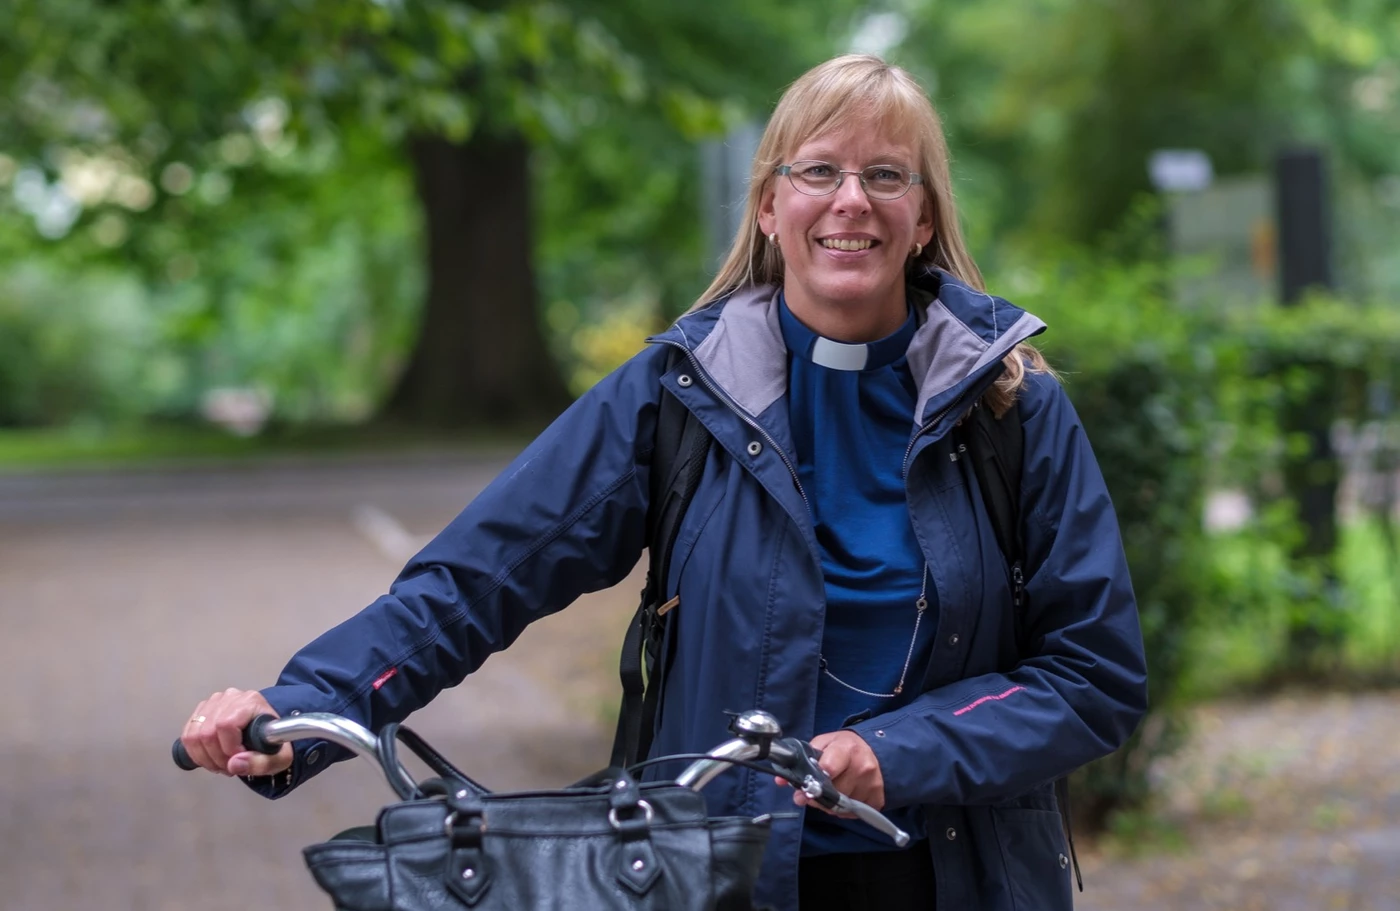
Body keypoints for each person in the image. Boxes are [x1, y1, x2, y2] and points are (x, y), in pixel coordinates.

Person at [181, 54, 1147, 910]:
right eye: (818, 171)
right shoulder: (681, 396)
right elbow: (475, 579)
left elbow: (1093, 674)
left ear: (924, 216)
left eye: (886, 176)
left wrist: (897, 755)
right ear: (769, 207)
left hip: (954, 877)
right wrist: (303, 705)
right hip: (718, 871)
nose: (851, 200)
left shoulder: (1012, 408)